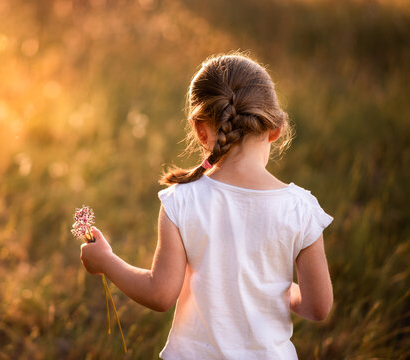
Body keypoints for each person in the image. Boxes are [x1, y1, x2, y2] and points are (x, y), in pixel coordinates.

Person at [80, 53, 333, 359]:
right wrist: (274, 288)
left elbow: (160, 295)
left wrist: (106, 261)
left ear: (200, 130)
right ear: (275, 129)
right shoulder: (299, 208)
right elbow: (318, 307)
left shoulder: (182, 200)